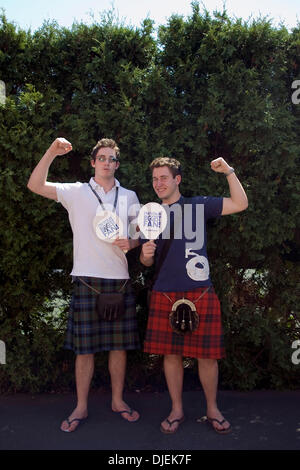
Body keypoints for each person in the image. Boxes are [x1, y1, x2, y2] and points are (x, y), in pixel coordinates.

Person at [27, 137, 141, 432]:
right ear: (93, 163)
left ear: (117, 164)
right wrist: (51, 151)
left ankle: (117, 400)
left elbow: (137, 233)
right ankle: (81, 406)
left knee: (119, 348)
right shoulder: (76, 192)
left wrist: (133, 240)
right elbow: (35, 185)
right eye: (101, 158)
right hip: (86, 279)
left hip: (119, 279)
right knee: (84, 350)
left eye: (112, 159)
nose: (107, 162)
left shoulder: (129, 196)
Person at [140, 156, 248, 434]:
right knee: (171, 355)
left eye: (164, 177)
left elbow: (240, 203)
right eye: (155, 179)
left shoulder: (198, 205)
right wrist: (144, 255)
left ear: (177, 180)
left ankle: (212, 408)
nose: (158, 183)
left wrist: (229, 172)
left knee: (207, 357)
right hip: (164, 292)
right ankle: (176, 410)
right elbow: (147, 262)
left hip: (200, 291)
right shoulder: (149, 213)